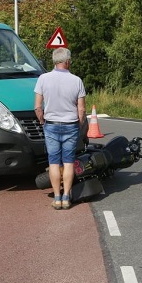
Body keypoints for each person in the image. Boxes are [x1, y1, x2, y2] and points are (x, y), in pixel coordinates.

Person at [34, 47, 87, 210]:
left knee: (54, 163)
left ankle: (57, 198)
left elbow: (37, 107)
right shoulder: (77, 80)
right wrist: (79, 123)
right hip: (71, 125)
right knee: (69, 162)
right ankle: (66, 198)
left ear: (54, 61)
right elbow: (82, 109)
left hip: (51, 125)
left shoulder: (43, 79)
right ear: (68, 61)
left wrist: (42, 120)